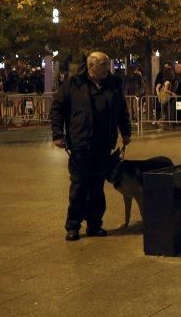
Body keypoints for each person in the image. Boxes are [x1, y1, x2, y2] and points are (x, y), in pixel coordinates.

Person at [51, 52, 132, 241]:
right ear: (91, 66)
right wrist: (58, 134)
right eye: (103, 67)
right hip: (80, 143)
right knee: (79, 186)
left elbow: (122, 110)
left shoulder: (112, 84)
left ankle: (95, 225)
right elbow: (57, 108)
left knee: (97, 187)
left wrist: (126, 132)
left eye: (107, 66)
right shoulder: (74, 84)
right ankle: (73, 226)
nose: (107, 71)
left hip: (103, 144)